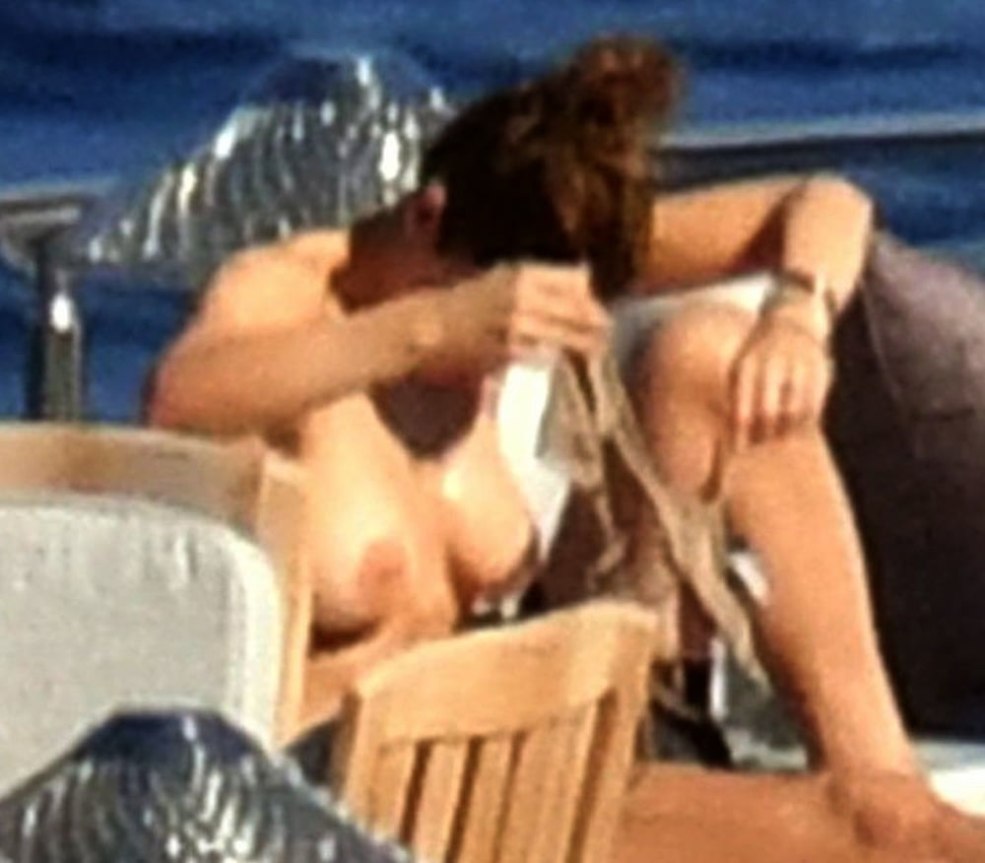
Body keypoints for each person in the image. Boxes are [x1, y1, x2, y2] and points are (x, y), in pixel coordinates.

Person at [147, 35, 985, 860]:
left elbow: (821, 204)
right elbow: (178, 399)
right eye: (506, 331)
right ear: (427, 217)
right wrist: (432, 327)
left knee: (885, 814)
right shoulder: (289, 293)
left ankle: (876, 761)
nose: (504, 365)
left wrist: (797, 315)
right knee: (879, 836)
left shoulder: (527, 247)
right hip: (355, 791)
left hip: (517, 750)